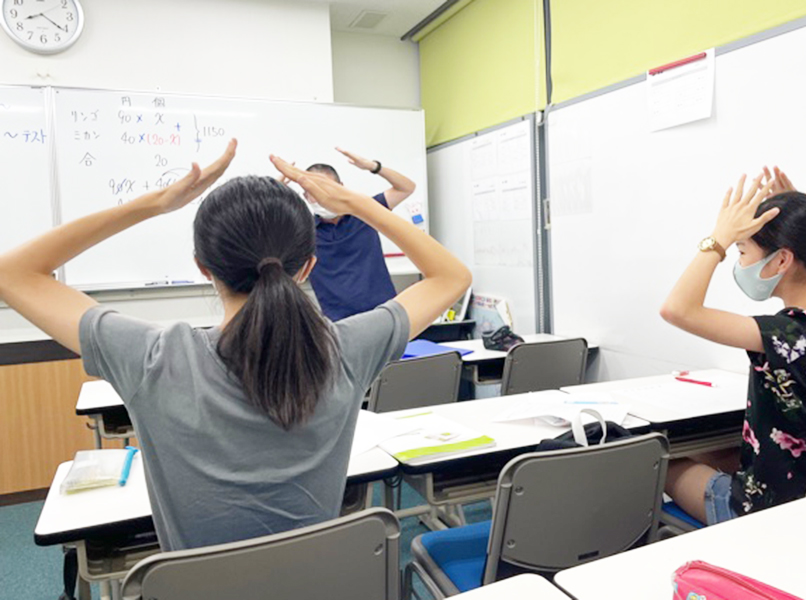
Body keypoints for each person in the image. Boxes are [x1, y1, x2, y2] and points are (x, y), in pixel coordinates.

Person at [0, 139, 471, 551]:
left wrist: (155, 204)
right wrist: (355, 201)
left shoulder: (150, 358)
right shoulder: (346, 349)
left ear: (203, 267)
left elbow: (13, 274)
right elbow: (452, 276)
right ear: (308, 267)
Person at [659, 167, 806, 525]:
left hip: (760, 511)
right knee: (710, 452)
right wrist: (798, 217)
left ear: (783, 259)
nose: (739, 263)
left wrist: (718, 240)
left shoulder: (789, 332)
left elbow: (677, 309)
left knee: (662, 462)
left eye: (742, 252)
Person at [301, 147, 418, 321]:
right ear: (305, 195)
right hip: (339, 324)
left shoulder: (365, 211)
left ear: (341, 188)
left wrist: (372, 166)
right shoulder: (303, 231)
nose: (322, 197)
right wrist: (274, 190)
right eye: (314, 192)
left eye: (327, 189)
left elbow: (406, 188)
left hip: (384, 315)